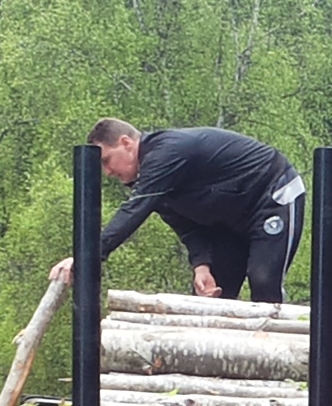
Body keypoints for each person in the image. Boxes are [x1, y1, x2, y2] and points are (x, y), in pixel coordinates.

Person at [50, 119, 305, 303]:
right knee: (210, 296)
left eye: (106, 160)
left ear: (126, 143)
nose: (107, 172)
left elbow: (133, 211)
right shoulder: (151, 180)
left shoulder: (165, 153)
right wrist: (201, 265)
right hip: (229, 223)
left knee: (263, 283)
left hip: (273, 195)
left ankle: (279, 371)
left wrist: (86, 256)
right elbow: (187, 226)